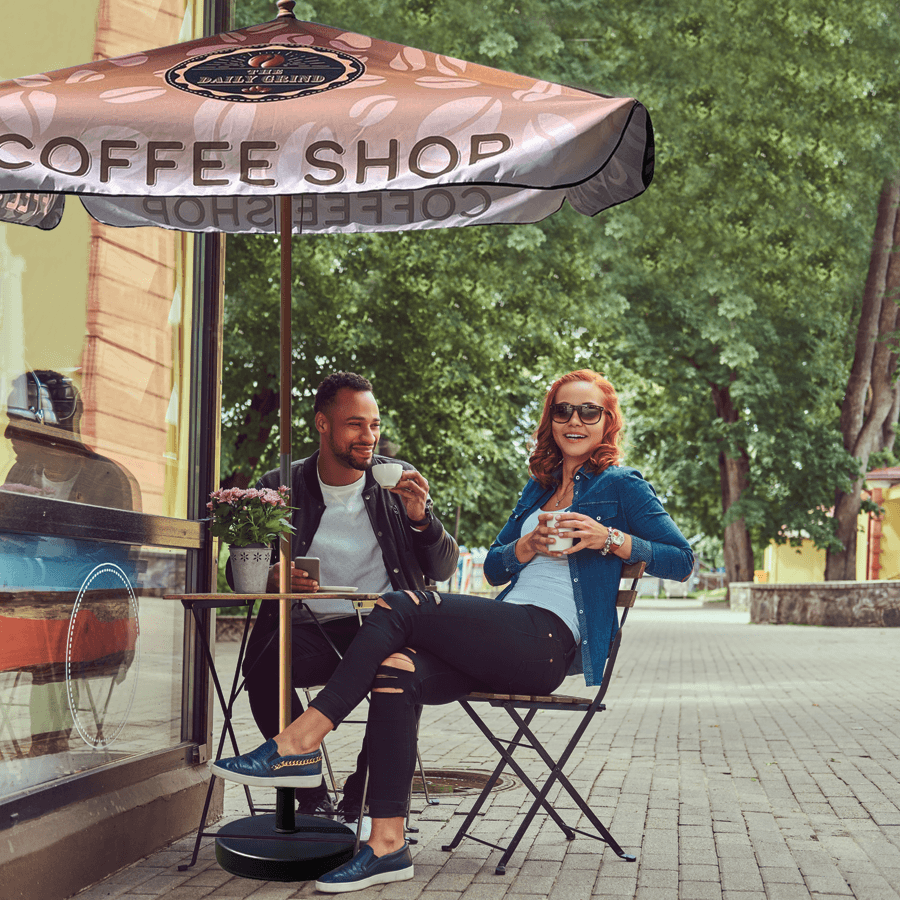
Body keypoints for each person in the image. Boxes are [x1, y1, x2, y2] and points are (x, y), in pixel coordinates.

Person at [213, 369, 693, 893]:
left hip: (547, 643)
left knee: (398, 607)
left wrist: (612, 537)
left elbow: (681, 559)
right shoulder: (539, 489)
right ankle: (387, 847)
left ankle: (300, 740)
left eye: (589, 412)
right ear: (550, 420)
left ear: (608, 422)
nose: (574, 421)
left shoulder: (622, 485)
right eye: (563, 411)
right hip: (507, 632)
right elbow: (493, 568)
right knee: (397, 672)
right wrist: (526, 548)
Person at [234, 371, 459, 832]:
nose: (369, 436)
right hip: (313, 628)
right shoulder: (279, 486)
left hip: (383, 626)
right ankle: (309, 790)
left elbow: (442, 569)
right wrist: (271, 576)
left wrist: (422, 519)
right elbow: (240, 567)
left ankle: (361, 798)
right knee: (260, 667)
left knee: (400, 672)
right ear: (322, 424)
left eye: (374, 425)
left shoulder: (397, 486)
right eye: (356, 424)